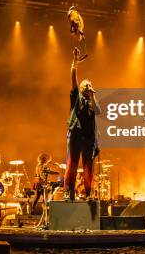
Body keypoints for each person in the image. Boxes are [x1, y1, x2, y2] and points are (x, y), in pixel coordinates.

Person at [64, 47, 100, 201]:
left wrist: (92, 95)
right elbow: (73, 76)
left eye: (89, 85)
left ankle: (88, 194)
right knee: (72, 162)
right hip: (76, 133)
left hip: (89, 137)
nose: (87, 86)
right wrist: (75, 60)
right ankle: (68, 192)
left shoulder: (92, 101)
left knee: (88, 166)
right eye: (85, 84)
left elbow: (98, 111)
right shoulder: (76, 96)